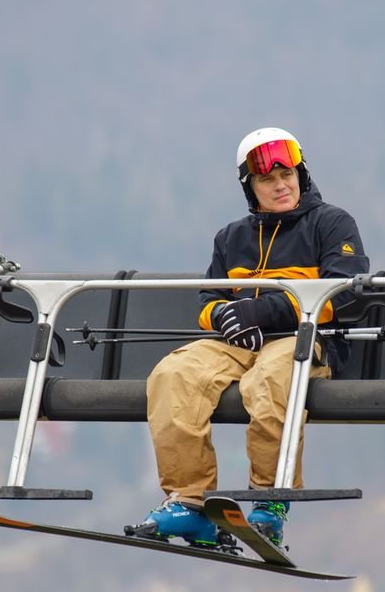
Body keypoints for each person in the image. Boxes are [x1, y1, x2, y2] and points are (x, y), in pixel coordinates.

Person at [128, 127, 369, 548]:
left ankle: (269, 502)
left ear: (301, 175)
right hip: (237, 344)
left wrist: (263, 309)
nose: (280, 185)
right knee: (173, 374)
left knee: (270, 380)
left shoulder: (330, 224)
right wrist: (224, 314)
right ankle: (189, 503)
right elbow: (208, 298)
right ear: (250, 187)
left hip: (303, 338)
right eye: (267, 180)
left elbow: (344, 292)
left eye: (288, 175)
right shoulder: (232, 237)